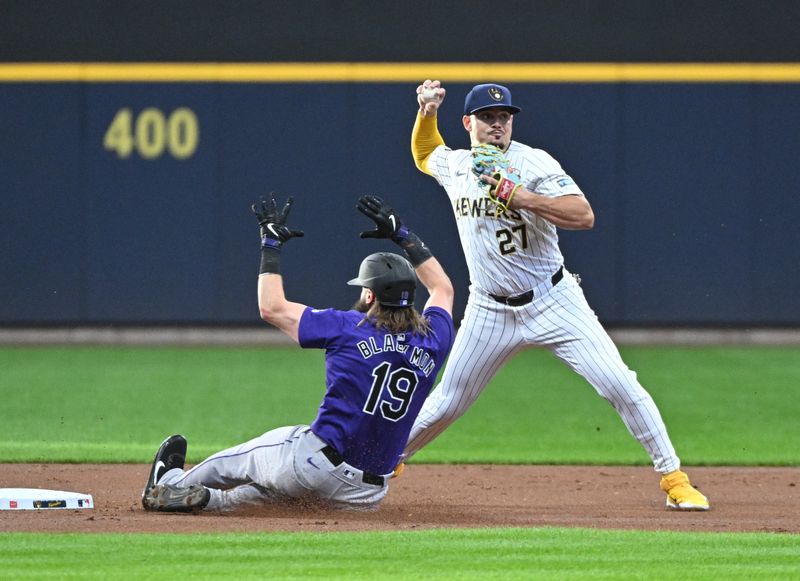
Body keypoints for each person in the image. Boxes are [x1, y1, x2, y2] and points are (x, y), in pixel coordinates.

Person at [403, 80, 709, 511]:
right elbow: (424, 153)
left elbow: (583, 215)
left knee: (619, 384)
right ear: (468, 123)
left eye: (504, 117)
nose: (497, 124)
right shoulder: (457, 166)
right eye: (488, 117)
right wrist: (427, 111)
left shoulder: (533, 162)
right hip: (489, 307)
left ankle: (674, 479)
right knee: (447, 402)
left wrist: (521, 195)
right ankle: (381, 463)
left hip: (554, 301)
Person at [141, 194, 455, 512]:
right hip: (364, 494)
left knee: (242, 461)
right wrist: (403, 234)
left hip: (312, 464)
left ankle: (171, 485)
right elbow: (442, 288)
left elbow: (271, 308)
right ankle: (212, 502)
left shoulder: (347, 327)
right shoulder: (434, 339)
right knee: (273, 499)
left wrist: (271, 245)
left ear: (370, 293)